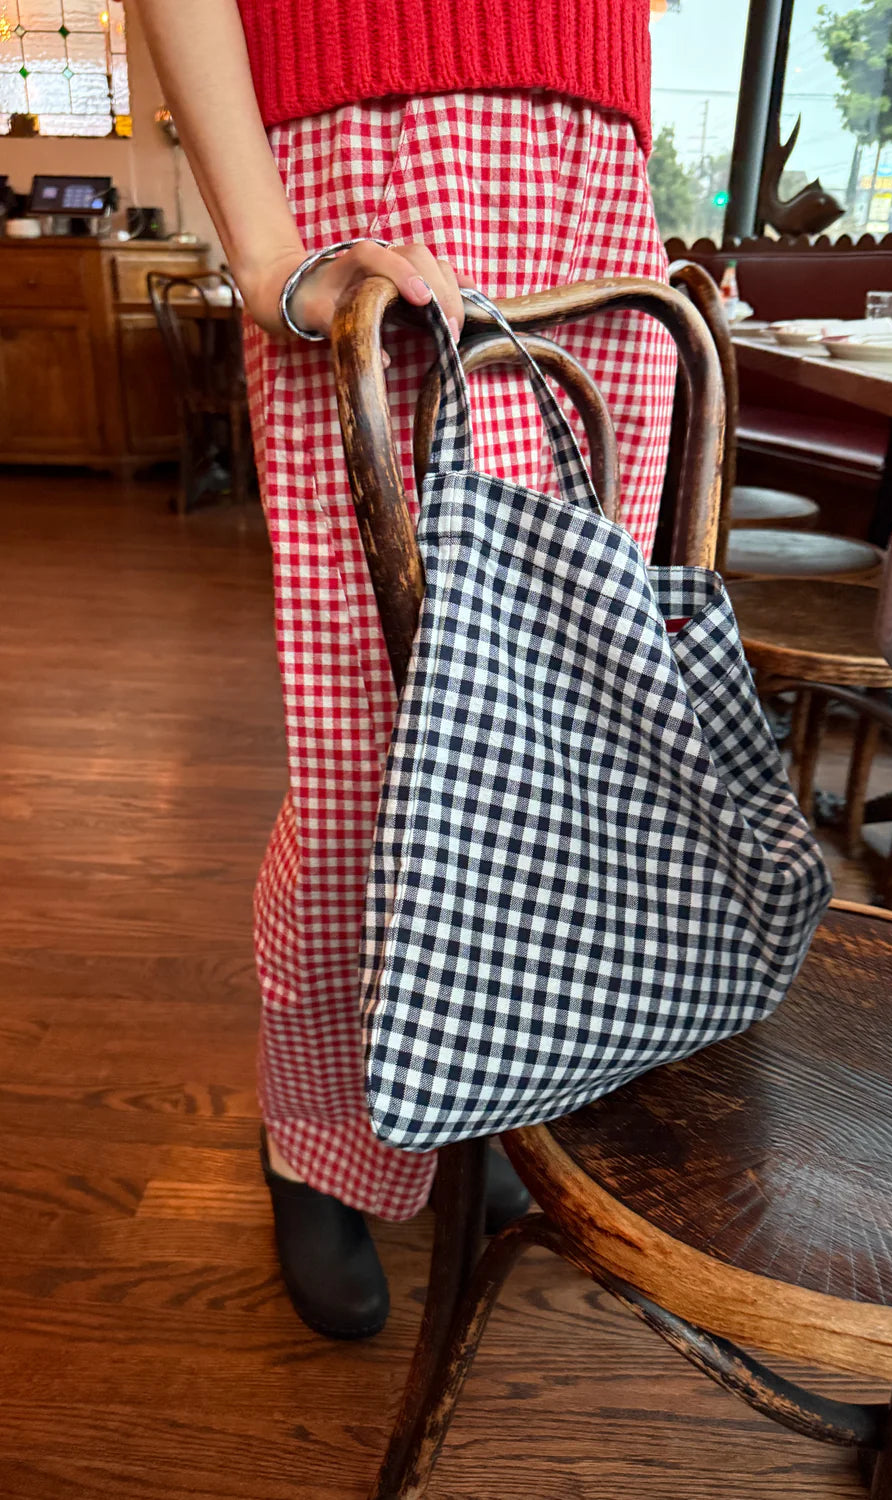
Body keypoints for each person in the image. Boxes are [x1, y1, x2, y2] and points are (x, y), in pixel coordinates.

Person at [136, 0, 677, 1340]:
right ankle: (318, 1137)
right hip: (387, 144)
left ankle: (485, 1095)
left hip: (600, 165)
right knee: (371, 778)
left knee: (563, 761)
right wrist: (265, 252)